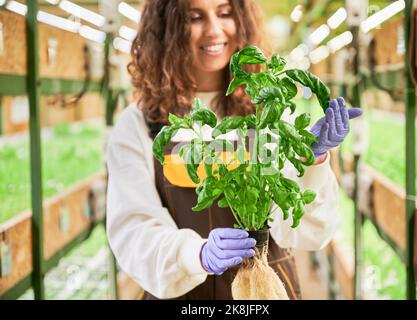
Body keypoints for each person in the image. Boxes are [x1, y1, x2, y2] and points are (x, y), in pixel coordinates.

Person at [106, 0, 362, 300]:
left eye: (225, 13)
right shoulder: (138, 124)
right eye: (194, 17)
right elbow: (133, 230)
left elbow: (309, 233)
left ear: (242, 21)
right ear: (166, 30)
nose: (214, 30)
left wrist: (312, 160)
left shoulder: (270, 110)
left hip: (266, 291)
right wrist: (197, 254)